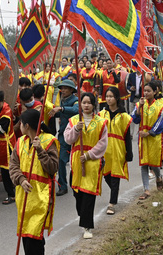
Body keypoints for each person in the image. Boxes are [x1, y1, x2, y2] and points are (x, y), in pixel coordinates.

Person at [9, 108, 59, 254]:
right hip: (24, 194)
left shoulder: (49, 141)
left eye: (21, 123)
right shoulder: (20, 142)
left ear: (27, 126)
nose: (19, 125)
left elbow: (53, 168)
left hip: (41, 196)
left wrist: (40, 151)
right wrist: (21, 179)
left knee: (35, 235)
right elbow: (13, 166)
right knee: (26, 233)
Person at [64, 92, 108, 239]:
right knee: (78, 193)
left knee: (89, 194)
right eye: (84, 103)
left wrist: (89, 155)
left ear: (94, 104)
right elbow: (68, 139)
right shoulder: (73, 121)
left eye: (89, 103)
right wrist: (76, 129)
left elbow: (103, 143)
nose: (86, 105)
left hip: (92, 162)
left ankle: (87, 226)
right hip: (76, 162)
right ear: (80, 104)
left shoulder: (101, 123)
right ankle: (82, 214)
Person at [99, 86, 133, 215]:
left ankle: (112, 203)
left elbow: (127, 136)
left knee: (115, 176)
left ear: (117, 98)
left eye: (111, 96)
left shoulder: (124, 116)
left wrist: (129, 153)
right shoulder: (102, 114)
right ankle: (115, 191)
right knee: (106, 174)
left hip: (118, 148)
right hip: (105, 149)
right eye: (107, 96)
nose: (108, 99)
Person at [132, 80, 163, 199]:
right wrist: (139, 108)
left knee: (154, 163)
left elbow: (161, 122)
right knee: (144, 164)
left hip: (154, 138)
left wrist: (149, 133)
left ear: (155, 91)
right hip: (142, 139)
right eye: (144, 91)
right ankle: (146, 189)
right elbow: (135, 119)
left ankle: (158, 177)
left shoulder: (160, 106)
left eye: (149, 91)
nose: (146, 93)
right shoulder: (139, 104)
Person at [49, 78, 78, 196]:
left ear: (71, 90)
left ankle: (77, 182)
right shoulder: (63, 100)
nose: (63, 90)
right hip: (63, 134)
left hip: (75, 133)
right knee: (60, 160)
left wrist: (61, 109)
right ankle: (62, 185)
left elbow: (76, 110)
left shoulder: (75, 100)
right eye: (61, 88)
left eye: (65, 88)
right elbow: (61, 113)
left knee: (76, 160)